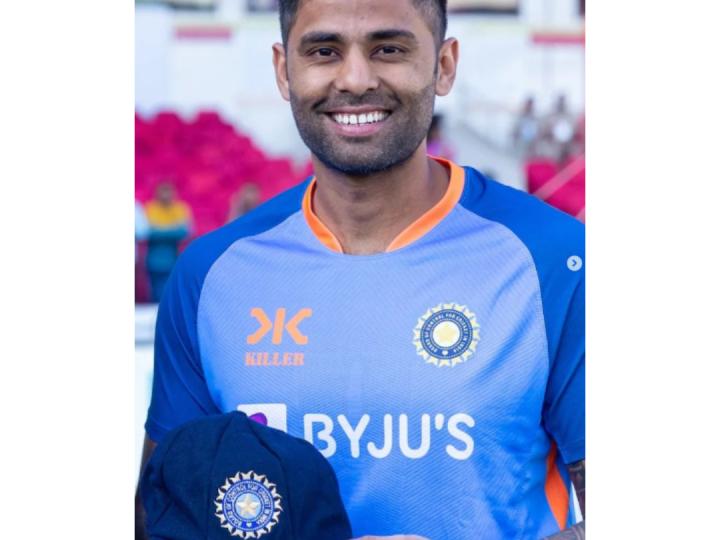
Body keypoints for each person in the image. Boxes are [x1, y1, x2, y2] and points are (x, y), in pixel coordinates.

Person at [137, 1, 585, 539]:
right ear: (283, 70)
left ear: (444, 65)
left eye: (388, 49)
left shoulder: (555, 261)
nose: (355, 79)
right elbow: (162, 514)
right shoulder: (210, 276)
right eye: (324, 51)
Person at [144, 181, 192, 303]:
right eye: (163, 192)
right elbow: (147, 232)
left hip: (173, 258)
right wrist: (172, 229)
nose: (166, 195)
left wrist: (159, 229)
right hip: (154, 259)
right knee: (155, 293)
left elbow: (185, 231)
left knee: (171, 292)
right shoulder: (150, 208)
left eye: (168, 192)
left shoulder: (180, 208)